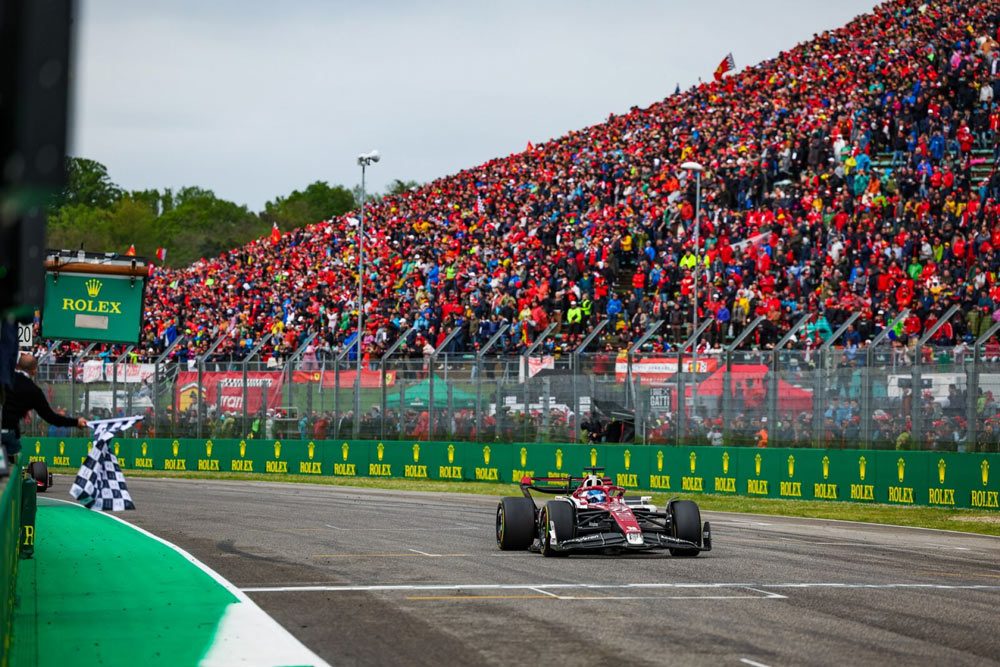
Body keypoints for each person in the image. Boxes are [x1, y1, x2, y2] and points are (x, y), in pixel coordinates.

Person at [2, 354, 87, 462]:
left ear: (18, 366)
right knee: (17, 462)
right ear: (35, 370)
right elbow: (51, 418)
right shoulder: (33, 390)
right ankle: (21, 474)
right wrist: (76, 422)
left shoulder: (4, 377)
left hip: (7, 429)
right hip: (8, 433)